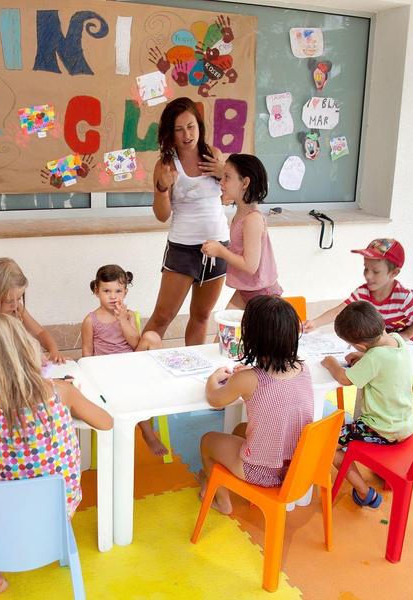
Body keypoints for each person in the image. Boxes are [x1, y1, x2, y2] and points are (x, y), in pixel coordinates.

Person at [0, 313, 112, 597]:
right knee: (40, 483)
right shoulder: (61, 392)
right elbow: (106, 422)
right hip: (61, 506)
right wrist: (76, 399)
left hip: (2, 512)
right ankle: (48, 540)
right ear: (27, 349)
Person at [199, 295, 314, 514]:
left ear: (251, 337)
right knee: (239, 430)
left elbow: (215, 399)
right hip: (295, 470)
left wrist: (213, 378)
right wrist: (248, 376)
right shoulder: (303, 369)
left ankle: (221, 501)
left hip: (261, 472)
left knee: (207, 441)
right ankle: (222, 480)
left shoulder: (250, 379)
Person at [0, 257, 66, 483]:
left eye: (18, 298)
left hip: (18, 375)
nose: (15, 304)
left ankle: (22, 455)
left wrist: (53, 349)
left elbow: (41, 333)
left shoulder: (17, 309)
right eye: (9, 300)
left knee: (35, 408)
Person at [144, 97, 229, 345]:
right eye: (179, 129)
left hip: (218, 247)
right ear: (170, 134)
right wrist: (162, 187)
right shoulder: (166, 165)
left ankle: (196, 372)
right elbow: (162, 216)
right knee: (162, 316)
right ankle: (137, 364)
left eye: (191, 126)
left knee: (202, 316)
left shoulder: (213, 155)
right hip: (183, 249)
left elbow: (231, 196)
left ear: (199, 126)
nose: (187, 134)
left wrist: (224, 173)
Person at [321, 301, 413, 508]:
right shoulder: (397, 340)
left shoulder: (376, 357)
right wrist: (365, 356)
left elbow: (344, 378)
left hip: (379, 429)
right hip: (404, 426)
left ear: (361, 345)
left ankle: (364, 492)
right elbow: (382, 358)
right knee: (336, 435)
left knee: (325, 445)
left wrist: (332, 364)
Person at [81, 264, 165, 454]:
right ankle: (148, 432)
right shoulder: (91, 320)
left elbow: (136, 343)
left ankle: (158, 389)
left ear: (125, 292)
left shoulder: (128, 315)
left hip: (130, 365)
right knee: (131, 394)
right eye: (107, 291)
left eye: (118, 291)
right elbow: (87, 351)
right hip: (105, 372)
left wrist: (123, 320)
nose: (113, 296)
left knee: (152, 336)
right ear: (96, 291)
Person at [303, 238, 413, 343]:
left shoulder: (404, 298)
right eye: (366, 268)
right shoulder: (362, 293)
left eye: (375, 271)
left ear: (394, 273)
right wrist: (315, 323)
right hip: (383, 346)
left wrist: (406, 334)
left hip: (409, 348)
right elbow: (340, 310)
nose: (368, 275)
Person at [202, 153, 281, 309]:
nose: (221, 183)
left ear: (245, 182)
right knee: (225, 333)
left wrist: (220, 251)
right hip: (246, 290)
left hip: (262, 295)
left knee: (232, 333)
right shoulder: (241, 214)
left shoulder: (252, 219)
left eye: (227, 177)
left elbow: (250, 266)